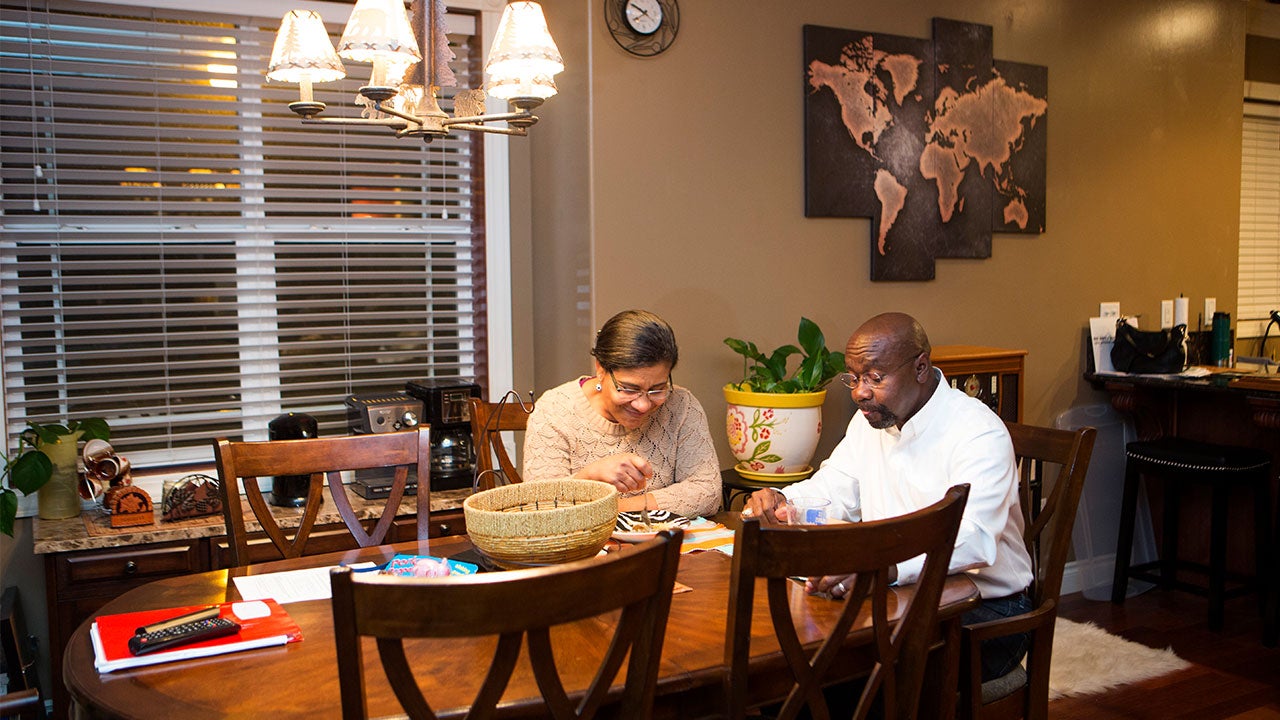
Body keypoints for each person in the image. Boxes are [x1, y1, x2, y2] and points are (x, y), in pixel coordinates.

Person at [745, 311, 1034, 682]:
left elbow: (973, 539)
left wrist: (880, 564)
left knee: (843, 672)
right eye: (854, 377)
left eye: (874, 378)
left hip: (988, 615)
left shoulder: (977, 433)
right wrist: (784, 502)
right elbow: (835, 487)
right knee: (793, 655)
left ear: (921, 367)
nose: (858, 393)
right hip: (898, 595)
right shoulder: (872, 421)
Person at [523, 309, 721, 517]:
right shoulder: (555, 410)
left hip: (668, 547)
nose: (643, 405)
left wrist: (614, 508)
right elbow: (540, 507)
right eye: (629, 389)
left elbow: (707, 492)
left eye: (657, 389)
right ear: (600, 369)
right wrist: (590, 477)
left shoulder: (681, 406)